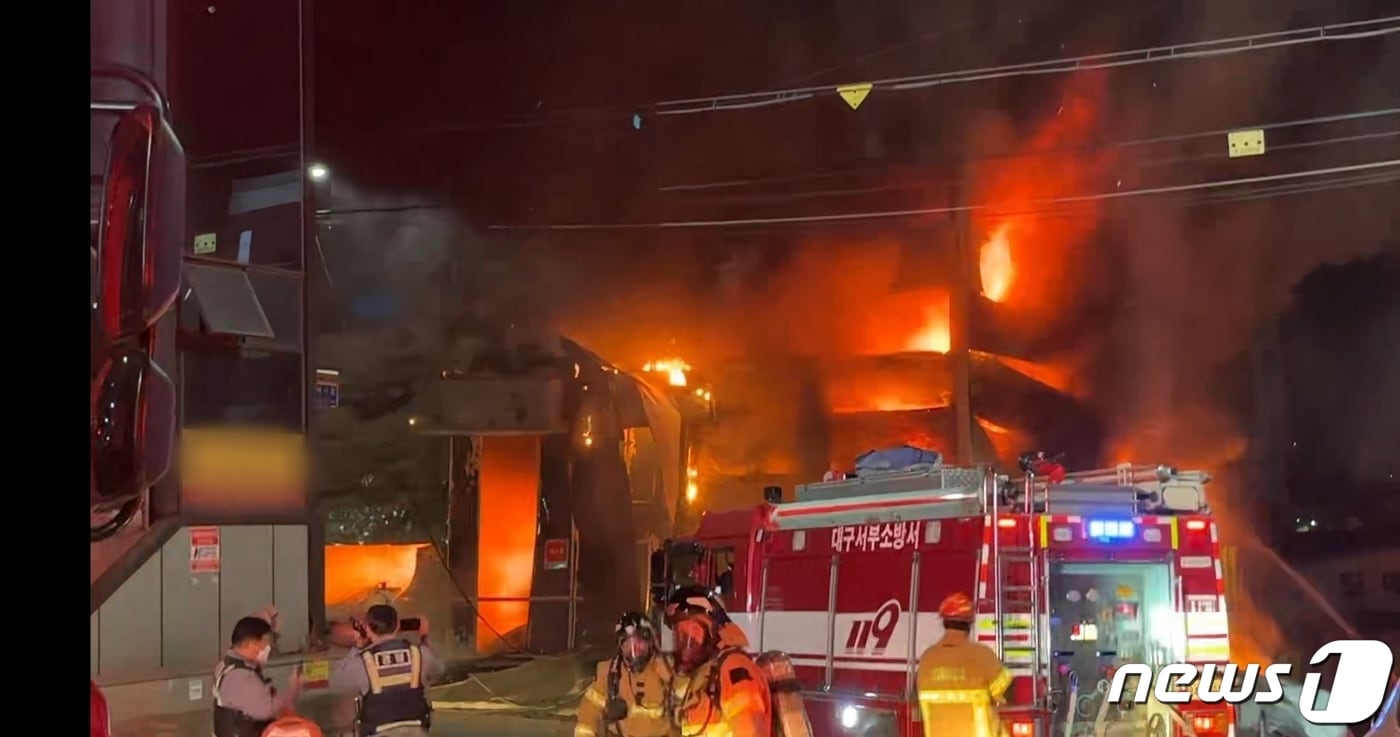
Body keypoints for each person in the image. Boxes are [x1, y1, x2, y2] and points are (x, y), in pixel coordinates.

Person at [664, 585, 771, 737]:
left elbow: (750, 730)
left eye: (693, 632)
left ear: (713, 632)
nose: (685, 643)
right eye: (679, 635)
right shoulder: (704, 674)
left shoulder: (734, 669)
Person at [328, 604, 441, 737]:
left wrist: (358, 646)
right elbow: (440, 668)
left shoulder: (363, 662)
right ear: (398, 626)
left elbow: (335, 681)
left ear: (367, 628)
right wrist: (424, 637)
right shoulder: (421, 654)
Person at [914, 592, 1012, 737]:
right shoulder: (982, 655)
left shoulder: (926, 660)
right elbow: (1004, 690)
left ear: (944, 623)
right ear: (969, 624)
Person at [575, 611, 674, 737]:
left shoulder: (666, 671)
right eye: (628, 644)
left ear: (650, 643)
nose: (634, 650)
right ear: (620, 646)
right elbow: (589, 712)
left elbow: (686, 709)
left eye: (639, 643)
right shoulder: (609, 673)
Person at [214, 615, 301, 737]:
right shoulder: (239, 676)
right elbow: (267, 710)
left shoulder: (228, 664)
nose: (268, 648)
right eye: (265, 643)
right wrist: (293, 690)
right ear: (251, 644)